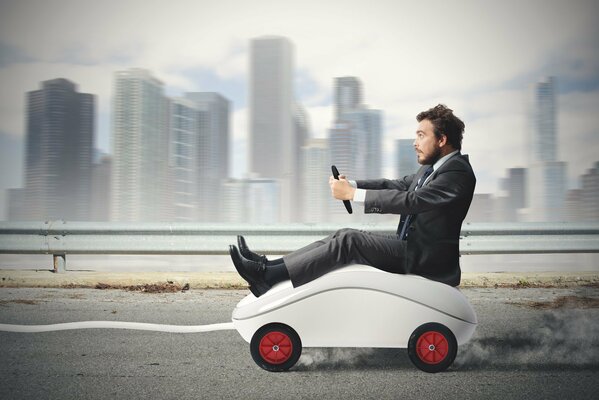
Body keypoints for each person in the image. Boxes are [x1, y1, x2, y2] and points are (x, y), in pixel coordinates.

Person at [229, 104, 476, 297]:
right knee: (343, 234)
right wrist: (353, 185)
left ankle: (266, 275)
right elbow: (396, 185)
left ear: (442, 140)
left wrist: (352, 196)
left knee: (350, 242)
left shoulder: (457, 173)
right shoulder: (431, 169)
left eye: (421, 135)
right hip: (412, 248)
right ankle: (268, 267)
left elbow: (412, 200)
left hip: (426, 260)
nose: (415, 142)